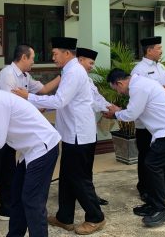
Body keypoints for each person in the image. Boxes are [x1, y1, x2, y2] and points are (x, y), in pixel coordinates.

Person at [13, 37, 106, 235]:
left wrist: (29, 97)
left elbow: (59, 101)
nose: (53, 57)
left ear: (67, 53)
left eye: (55, 54)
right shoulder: (69, 71)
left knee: (79, 178)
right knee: (66, 176)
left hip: (79, 134)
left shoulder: (74, 72)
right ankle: (65, 217)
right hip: (71, 133)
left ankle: (95, 217)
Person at [0, 44, 60, 236]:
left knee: (27, 196)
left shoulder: (23, 78)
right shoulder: (7, 75)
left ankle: (6, 209)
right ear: (23, 57)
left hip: (33, 146)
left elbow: (40, 91)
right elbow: (8, 111)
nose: (33, 62)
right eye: (32, 58)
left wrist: (62, 77)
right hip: (3, 134)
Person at [104, 68, 165, 227]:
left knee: (152, 165)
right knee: (151, 165)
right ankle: (153, 204)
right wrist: (120, 112)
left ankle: (162, 209)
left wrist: (116, 113)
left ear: (120, 83)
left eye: (116, 89)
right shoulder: (141, 83)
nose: (119, 92)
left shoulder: (138, 87)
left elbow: (131, 115)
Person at [130, 36, 165, 201]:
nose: (161, 51)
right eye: (158, 48)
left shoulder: (161, 67)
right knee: (146, 156)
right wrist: (161, 89)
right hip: (147, 123)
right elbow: (138, 93)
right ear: (149, 50)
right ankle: (145, 189)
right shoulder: (139, 70)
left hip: (163, 121)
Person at [75, 47, 113, 206]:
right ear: (80, 60)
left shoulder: (88, 80)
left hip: (89, 130)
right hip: (78, 132)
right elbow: (91, 102)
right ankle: (88, 198)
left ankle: (89, 195)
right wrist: (108, 108)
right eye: (90, 63)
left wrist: (109, 106)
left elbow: (97, 97)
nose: (92, 66)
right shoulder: (74, 78)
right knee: (80, 168)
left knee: (87, 166)